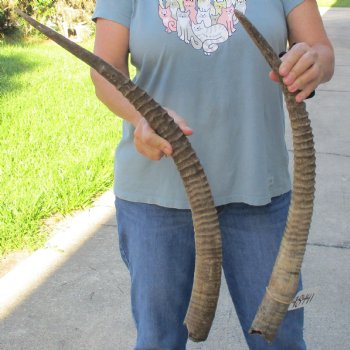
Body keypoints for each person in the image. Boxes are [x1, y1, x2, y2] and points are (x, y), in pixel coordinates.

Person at [90, 0, 334, 349]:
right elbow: (104, 70)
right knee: (159, 341)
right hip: (157, 194)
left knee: (280, 340)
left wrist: (314, 63)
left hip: (258, 192)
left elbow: (322, 51)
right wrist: (140, 118)